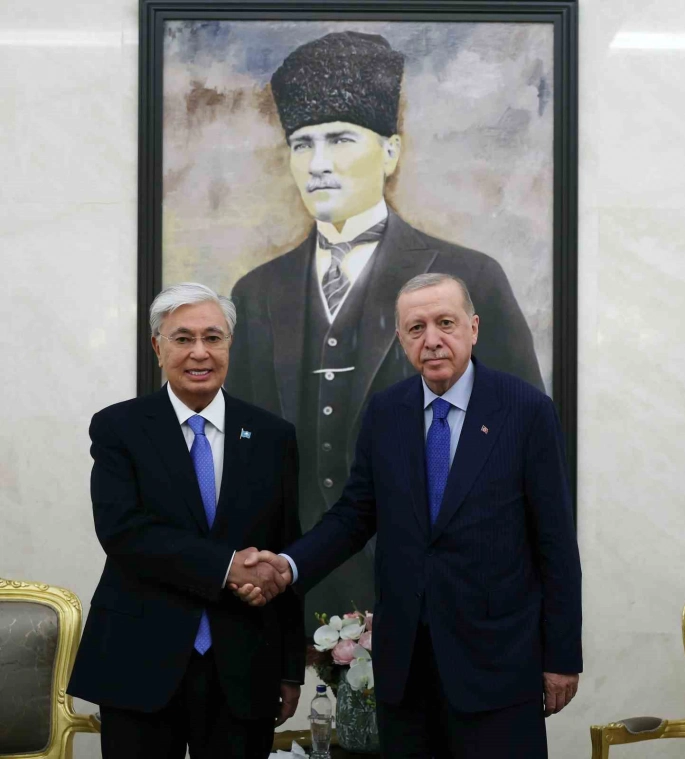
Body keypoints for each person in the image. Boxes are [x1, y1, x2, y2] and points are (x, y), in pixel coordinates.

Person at [226, 31, 545, 632]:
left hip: (438, 593)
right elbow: (241, 459)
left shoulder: (473, 277)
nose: (318, 163)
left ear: (391, 151)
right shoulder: (256, 292)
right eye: (302, 144)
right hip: (296, 591)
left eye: (341, 139)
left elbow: (526, 456)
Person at [233, 273, 582, 758]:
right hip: (406, 672)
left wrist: (562, 656)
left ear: (473, 328)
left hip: (498, 667)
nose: (432, 339)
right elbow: (354, 515)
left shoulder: (526, 411)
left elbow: (556, 542)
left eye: (445, 323)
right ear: (401, 339)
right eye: (416, 328)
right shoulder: (386, 412)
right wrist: (288, 566)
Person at [67, 283, 303, 759]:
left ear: (229, 345)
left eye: (213, 338)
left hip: (244, 662)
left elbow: (285, 547)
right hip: (140, 659)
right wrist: (226, 567)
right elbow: (122, 531)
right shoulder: (119, 427)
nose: (200, 352)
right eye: (182, 338)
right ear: (158, 347)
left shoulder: (273, 436)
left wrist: (290, 667)